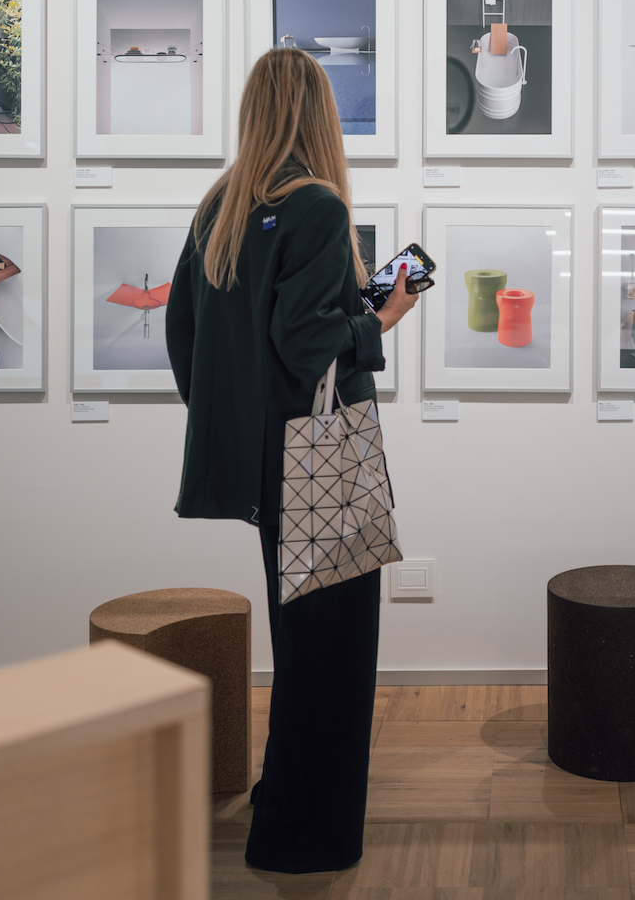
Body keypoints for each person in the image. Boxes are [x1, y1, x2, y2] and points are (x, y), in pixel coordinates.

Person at [166, 47, 418, 874]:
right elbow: (309, 340)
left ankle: (282, 813)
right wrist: (380, 318)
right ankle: (300, 841)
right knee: (331, 659)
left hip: (263, 468)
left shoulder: (220, 207)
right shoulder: (312, 205)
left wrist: (239, 418)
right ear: (318, 114)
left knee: (302, 648)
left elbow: (184, 340)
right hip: (318, 465)